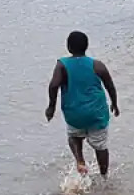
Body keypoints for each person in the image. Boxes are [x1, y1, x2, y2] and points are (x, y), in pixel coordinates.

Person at [46, 31, 119, 177]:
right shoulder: (97, 65)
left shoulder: (62, 65)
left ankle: (80, 161)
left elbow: (54, 85)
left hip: (74, 114)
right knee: (100, 146)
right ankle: (104, 175)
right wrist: (114, 104)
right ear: (87, 46)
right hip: (96, 113)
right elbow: (110, 86)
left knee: (74, 136)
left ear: (68, 47)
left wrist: (51, 107)